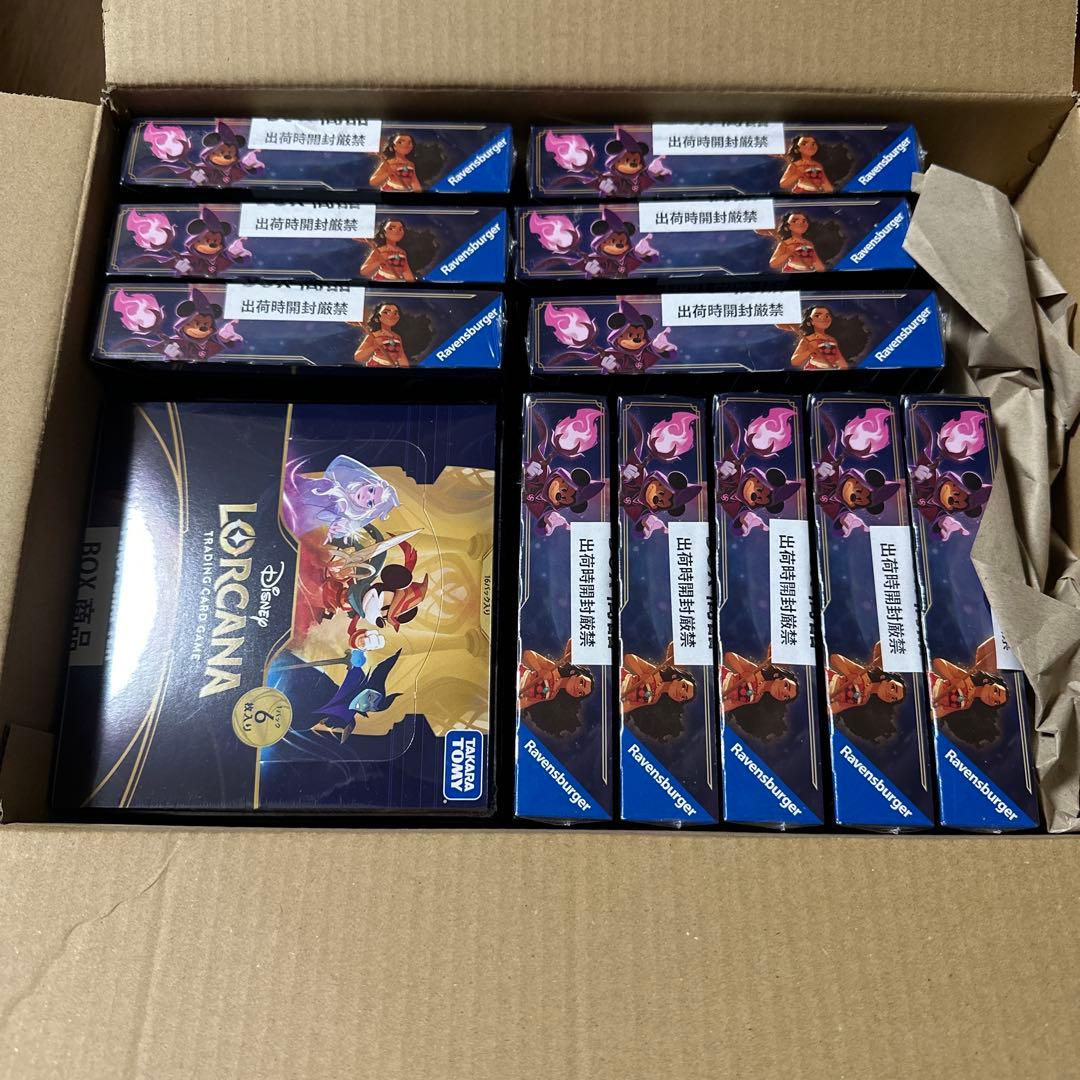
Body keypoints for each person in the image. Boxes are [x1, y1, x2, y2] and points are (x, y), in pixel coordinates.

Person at [353, 302, 410, 367]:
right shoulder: (374, 335)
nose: (391, 315)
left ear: (398, 317)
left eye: (395, 313)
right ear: (378, 317)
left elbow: (401, 356)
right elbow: (357, 356)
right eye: (386, 312)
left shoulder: (397, 337)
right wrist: (374, 347)